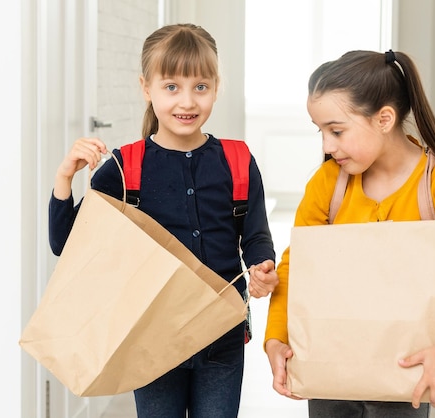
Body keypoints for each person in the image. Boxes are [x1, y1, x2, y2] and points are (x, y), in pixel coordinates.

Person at [264, 49, 435, 418]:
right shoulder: (328, 183)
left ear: (384, 119)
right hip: (330, 370)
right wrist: (275, 337)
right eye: (320, 131)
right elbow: (296, 265)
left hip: (406, 379)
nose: (326, 146)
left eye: (336, 130)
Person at [49, 23, 279, 418]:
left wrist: (263, 265)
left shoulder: (239, 161)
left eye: (200, 87)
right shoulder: (125, 168)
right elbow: (65, 244)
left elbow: (255, 235)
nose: (187, 101)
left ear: (216, 86)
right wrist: (64, 178)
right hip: (150, 336)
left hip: (221, 336)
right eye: (171, 87)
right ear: (146, 88)